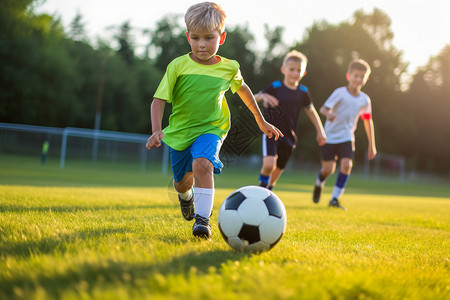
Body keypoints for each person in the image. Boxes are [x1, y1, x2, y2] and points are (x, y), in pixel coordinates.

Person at [145, 2, 283, 239]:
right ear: (188, 37)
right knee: (181, 184)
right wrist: (156, 130)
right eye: (196, 37)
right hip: (180, 133)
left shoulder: (229, 68)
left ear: (222, 37)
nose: (201, 44)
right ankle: (186, 198)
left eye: (209, 38)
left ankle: (202, 221)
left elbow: (243, 91)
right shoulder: (177, 66)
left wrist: (261, 121)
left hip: (212, 128)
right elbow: (158, 100)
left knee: (202, 164)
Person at [256, 50, 326, 190]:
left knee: (278, 169)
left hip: (289, 136)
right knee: (269, 165)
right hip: (271, 131)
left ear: (303, 73)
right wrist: (263, 96)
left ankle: (268, 191)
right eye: (292, 69)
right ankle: (261, 188)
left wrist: (320, 131)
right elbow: (253, 97)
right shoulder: (275, 87)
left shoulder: (303, 91)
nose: (295, 73)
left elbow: (311, 111)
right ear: (284, 70)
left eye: (298, 70)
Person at [312, 59, 377, 210]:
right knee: (328, 169)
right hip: (329, 136)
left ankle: (334, 199)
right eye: (356, 76)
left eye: (362, 77)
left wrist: (372, 145)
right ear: (349, 76)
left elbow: (368, 122)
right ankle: (319, 182)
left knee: (347, 165)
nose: (358, 79)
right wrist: (329, 114)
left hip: (347, 137)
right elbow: (323, 109)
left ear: (366, 79)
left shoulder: (365, 100)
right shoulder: (340, 93)